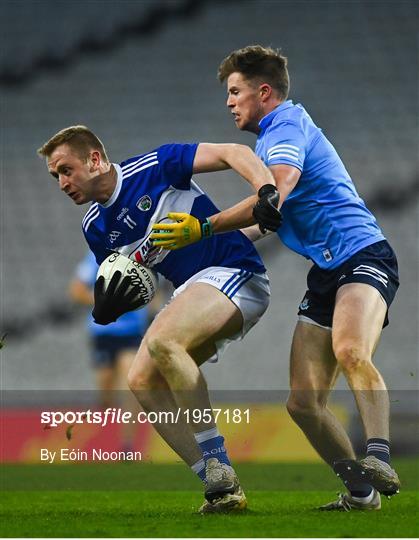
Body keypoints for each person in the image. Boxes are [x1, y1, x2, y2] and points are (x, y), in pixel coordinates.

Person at [151, 45, 401, 511]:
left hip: (364, 255)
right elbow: (266, 221)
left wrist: (204, 226)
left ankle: (380, 456)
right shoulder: (269, 138)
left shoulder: (285, 125)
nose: (228, 102)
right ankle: (362, 494)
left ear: (263, 92)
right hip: (327, 272)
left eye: (235, 91)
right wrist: (201, 246)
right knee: (302, 404)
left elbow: (276, 189)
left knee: (350, 350)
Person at [38, 125, 279, 513]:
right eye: (55, 176)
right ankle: (221, 488)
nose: (62, 182)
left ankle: (216, 459)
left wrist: (266, 190)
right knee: (140, 380)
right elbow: (128, 283)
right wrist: (106, 306)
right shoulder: (94, 228)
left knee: (163, 341)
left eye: (66, 170)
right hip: (190, 289)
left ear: (95, 160)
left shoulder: (155, 167)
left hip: (234, 272)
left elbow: (232, 151)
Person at [69, 250, 156, 452]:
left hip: (132, 333)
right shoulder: (96, 258)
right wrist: (107, 300)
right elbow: (76, 291)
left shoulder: (143, 257)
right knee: (106, 395)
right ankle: (103, 439)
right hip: (104, 332)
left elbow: (153, 291)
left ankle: (127, 446)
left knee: (130, 383)